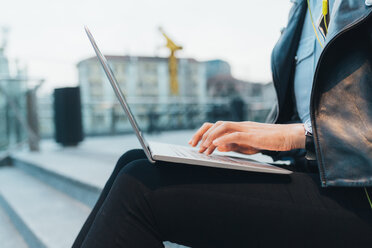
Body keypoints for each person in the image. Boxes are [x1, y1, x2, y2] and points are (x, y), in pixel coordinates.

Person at [72, 0, 372, 247]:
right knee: (136, 160)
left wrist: (298, 136)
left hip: (361, 198)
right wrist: (262, 139)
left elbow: (312, 130)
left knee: (143, 186)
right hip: (317, 176)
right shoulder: (303, 10)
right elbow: (312, 114)